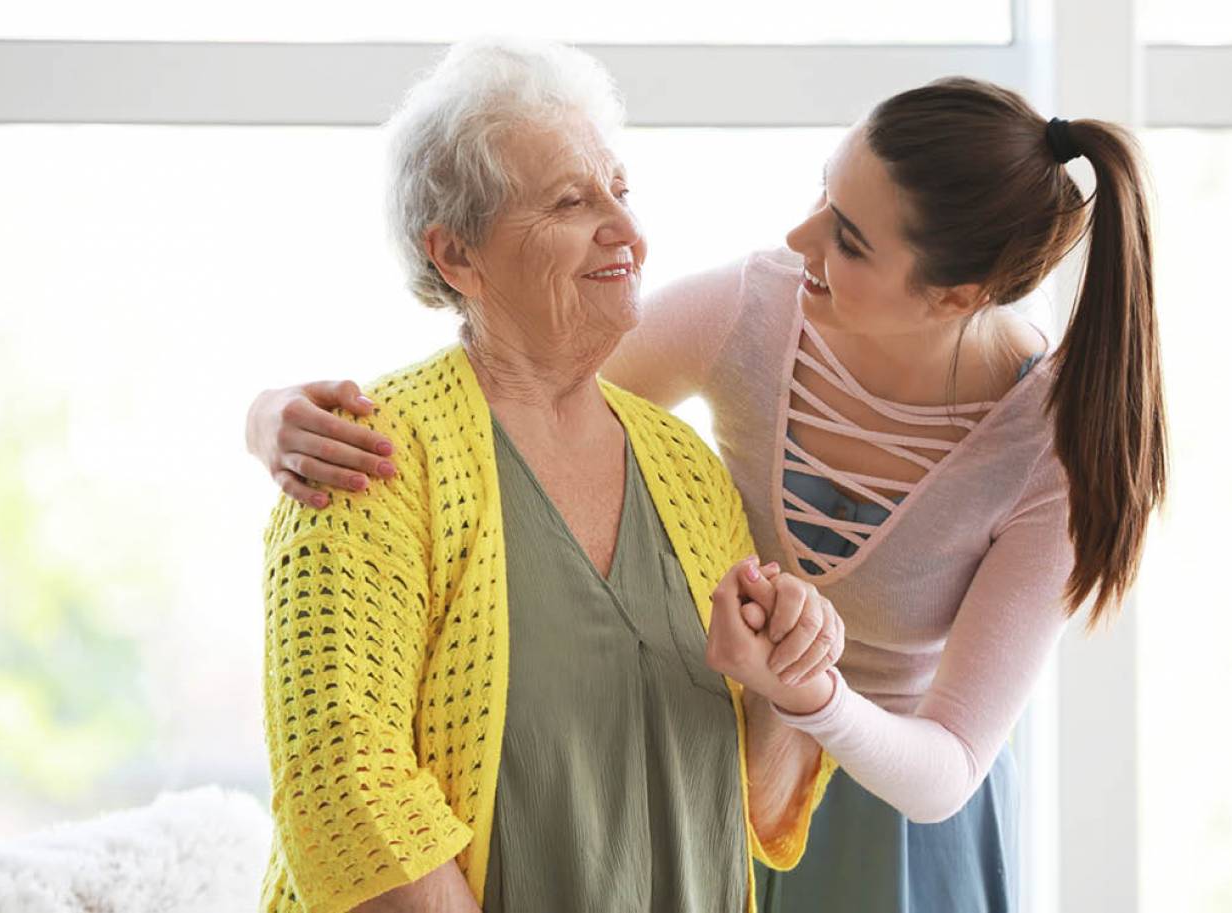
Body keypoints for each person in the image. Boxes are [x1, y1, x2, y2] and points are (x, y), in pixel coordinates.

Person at [250, 68, 1167, 913]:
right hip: (751, 773)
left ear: (957, 296)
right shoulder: (760, 309)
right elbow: (525, 375)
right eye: (822, 195)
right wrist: (271, 415)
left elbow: (946, 763)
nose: (799, 239)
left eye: (847, 239)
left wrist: (806, 694)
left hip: (889, 805)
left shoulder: (1052, 448)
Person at [257, 39, 846, 913]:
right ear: (457, 255)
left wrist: (791, 686)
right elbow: (347, 788)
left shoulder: (684, 467)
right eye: (572, 200)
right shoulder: (371, 461)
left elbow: (749, 804)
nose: (626, 230)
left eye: (622, 190)